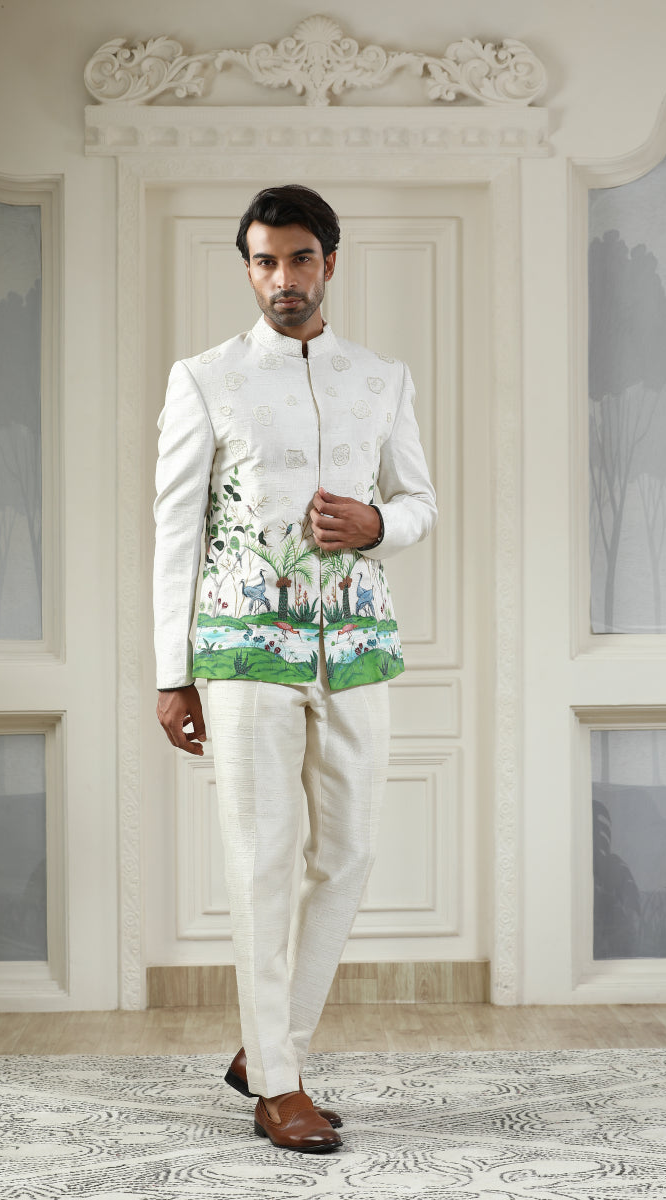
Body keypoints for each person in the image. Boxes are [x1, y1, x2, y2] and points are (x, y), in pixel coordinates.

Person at [153, 185, 437, 1152]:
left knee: (349, 854)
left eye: (300, 259)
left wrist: (378, 524)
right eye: (265, 261)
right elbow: (175, 532)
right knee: (261, 858)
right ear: (248, 269)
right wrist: (172, 672)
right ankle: (279, 1087)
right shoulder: (206, 380)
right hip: (243, 652)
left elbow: (421, 502)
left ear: (329, 263)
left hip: (355, 648)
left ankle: (268, 1048)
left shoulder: (381, 378)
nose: (283, 279)